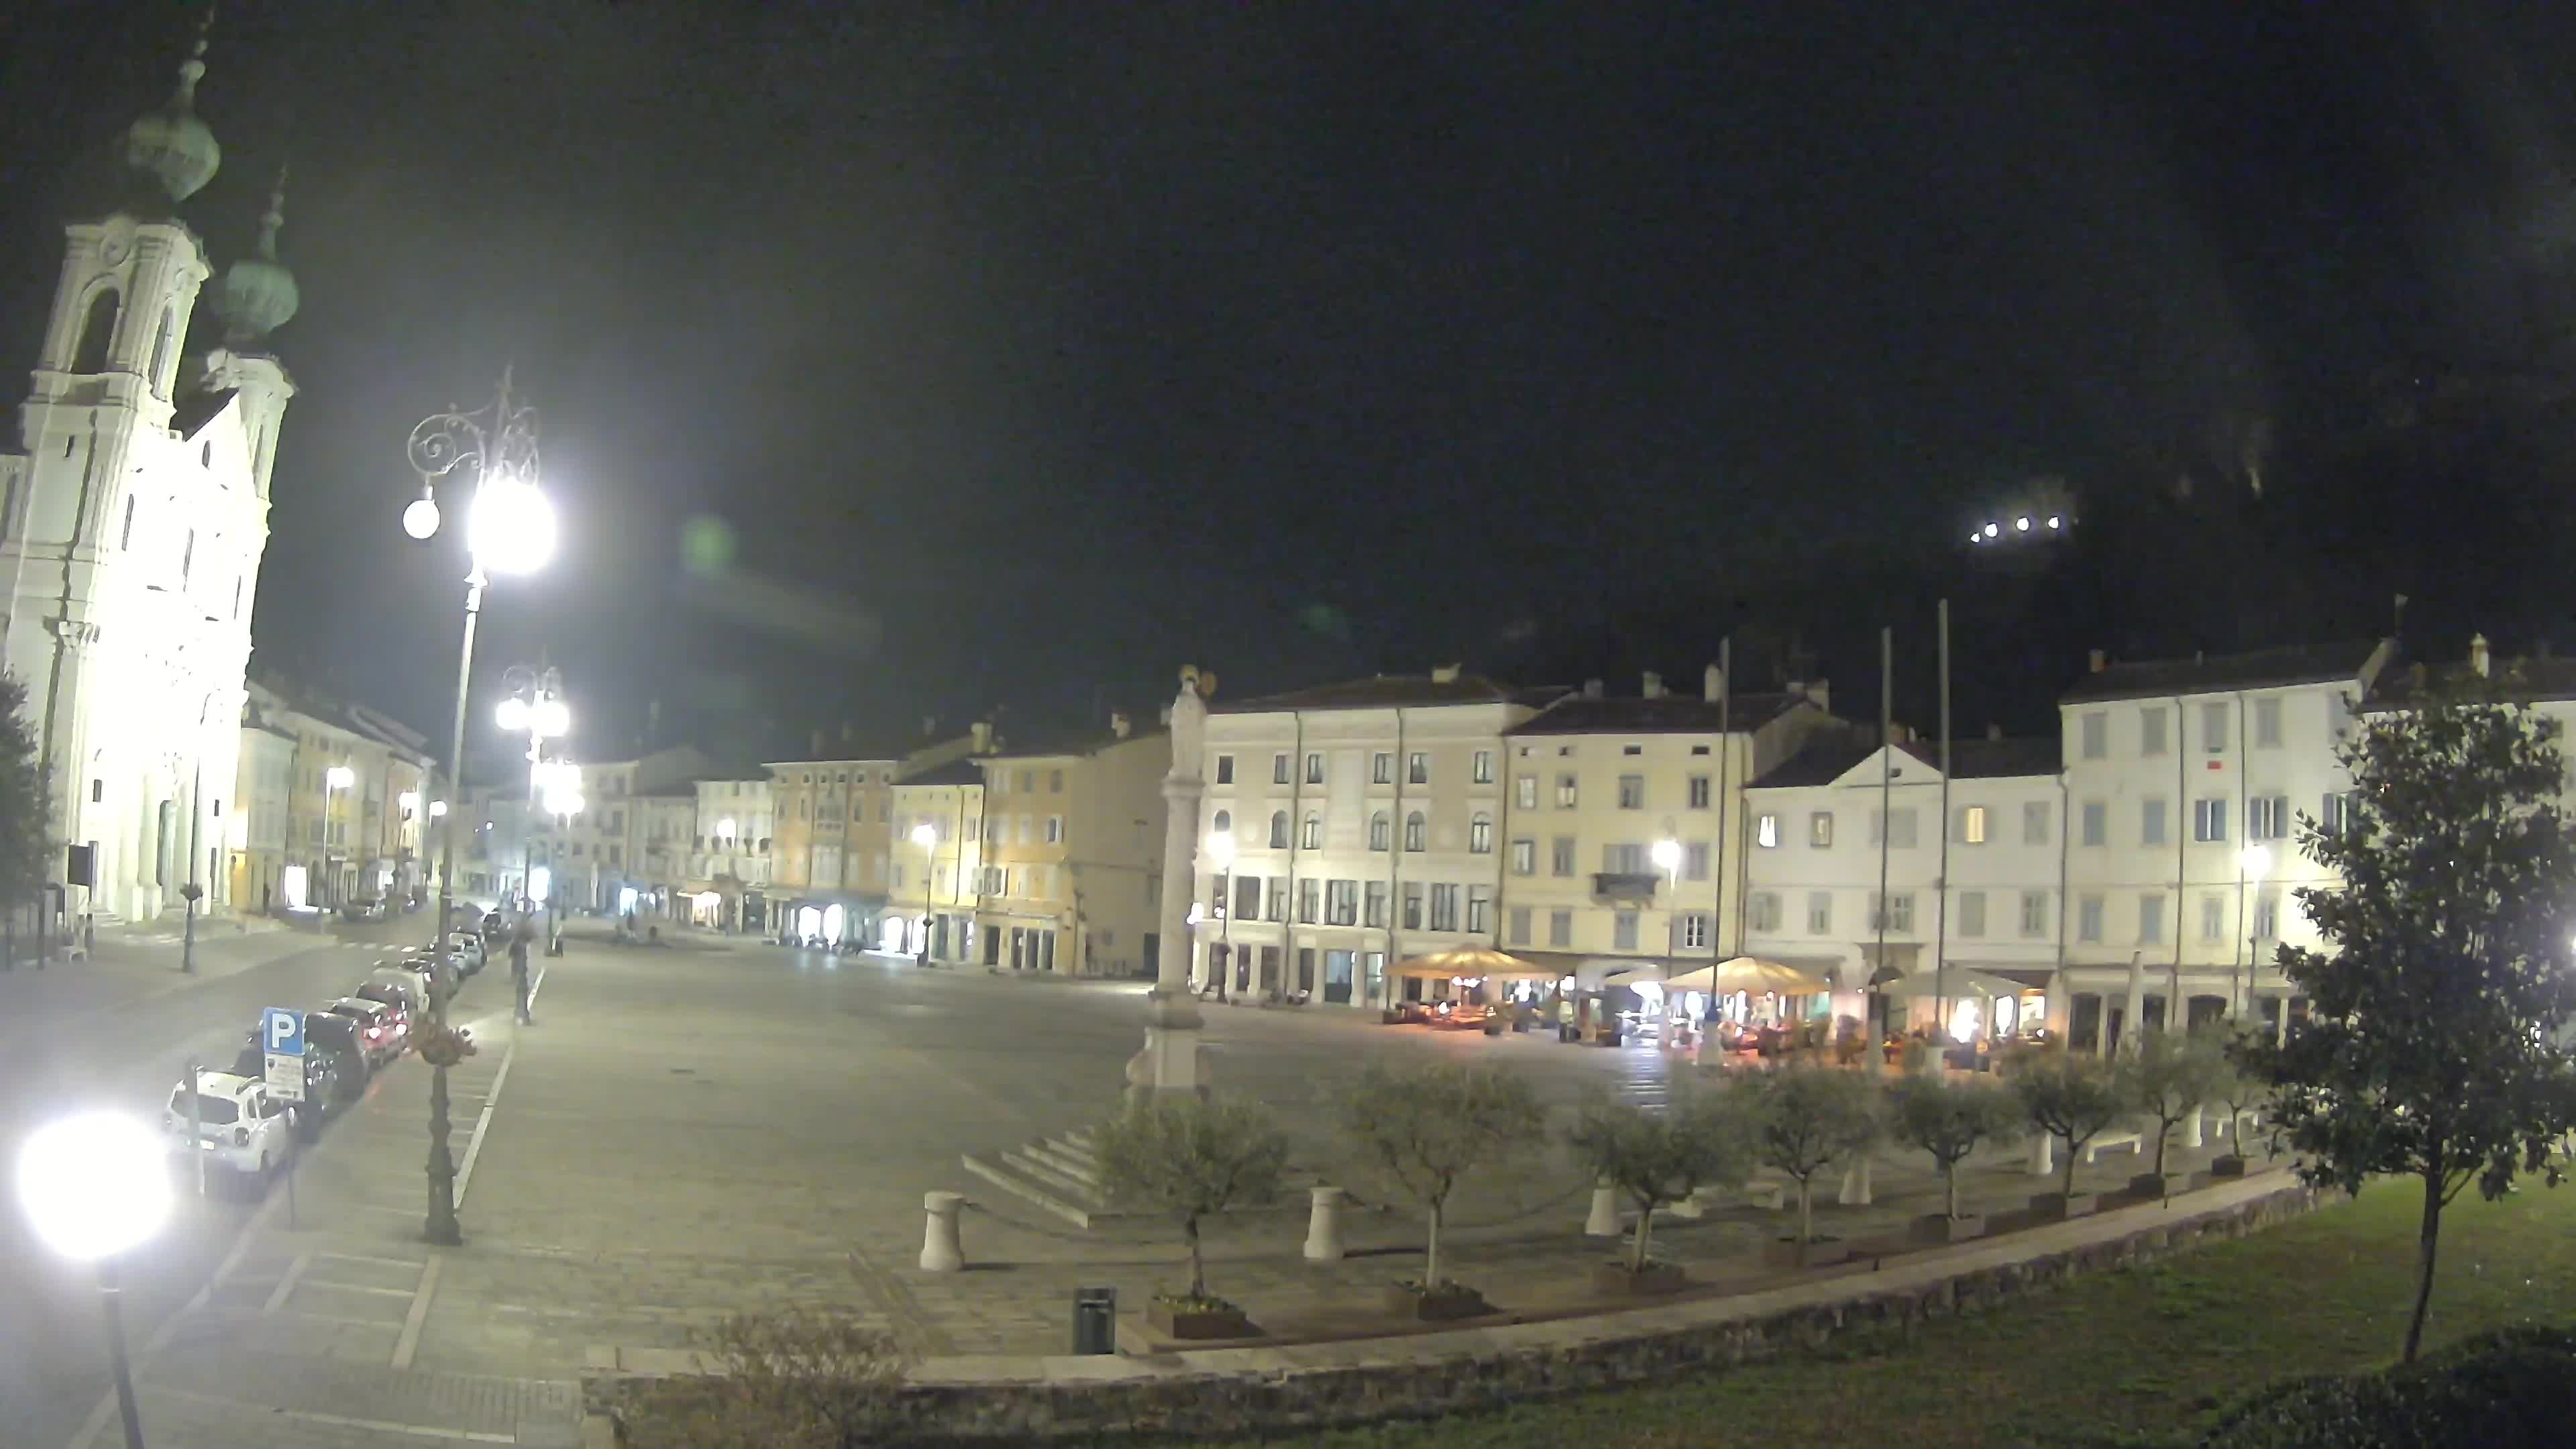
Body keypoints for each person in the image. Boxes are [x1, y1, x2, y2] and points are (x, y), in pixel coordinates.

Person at [510, 926, 533, 1024]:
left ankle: (520, 1013)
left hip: (521, 976)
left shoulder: (517, 945)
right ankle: (523, 1015)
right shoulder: (521, 947)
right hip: (521, 976)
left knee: (521, 994)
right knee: (522, 994)